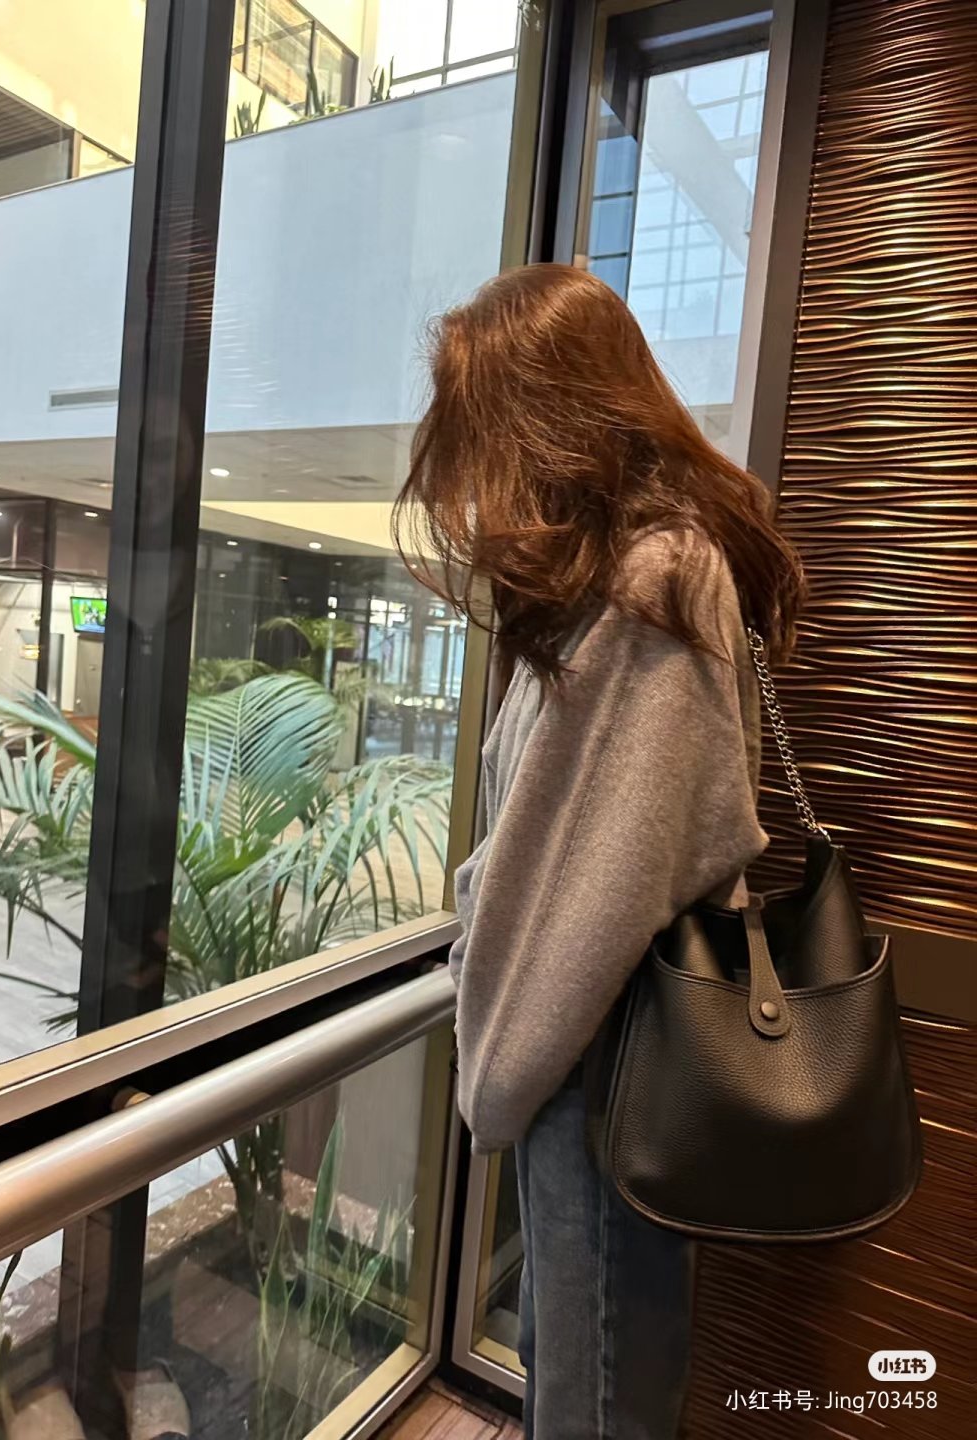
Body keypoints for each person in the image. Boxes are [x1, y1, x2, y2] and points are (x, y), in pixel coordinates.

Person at [394, 264, 804, 1438]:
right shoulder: (635, 577)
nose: (474, 471)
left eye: (481, 427)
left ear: (546, 417)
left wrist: (494, 1074)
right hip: (603, 1049)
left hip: (606, 1057)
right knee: (584, 1363)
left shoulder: (654, 581)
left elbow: (596, 882)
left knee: (595, 1388)